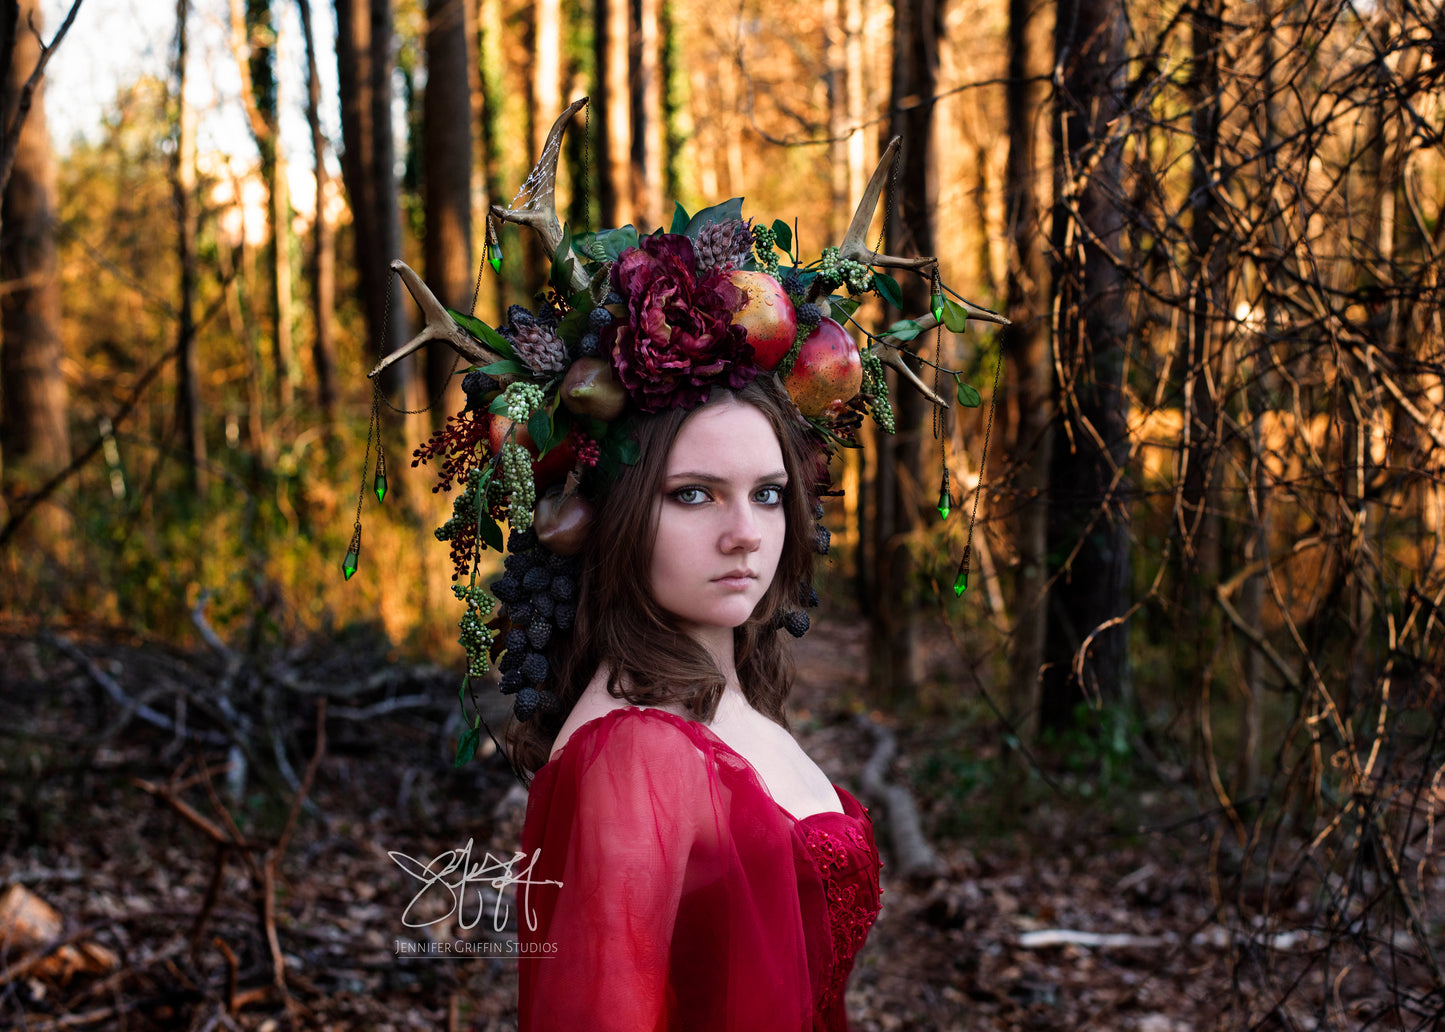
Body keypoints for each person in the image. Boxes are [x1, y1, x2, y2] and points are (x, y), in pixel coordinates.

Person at [512, 375, 882, 1030]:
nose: (745, 533)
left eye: (766, 495)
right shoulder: (632, 754)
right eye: (693, 495)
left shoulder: (728, 704)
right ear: (617, 509)